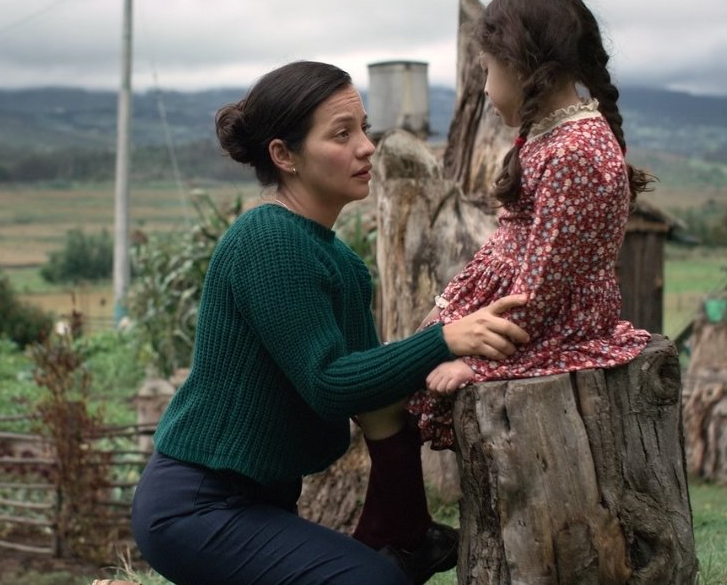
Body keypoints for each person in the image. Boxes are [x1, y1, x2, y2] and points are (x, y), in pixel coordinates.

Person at [131, 60, 529, 585]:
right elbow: (329, 383)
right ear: (284, 155)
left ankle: (409, 537)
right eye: (342, 134)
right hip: (198, 505)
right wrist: (445, 339)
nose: (367, 146)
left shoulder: (337, 260)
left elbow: (375, 401)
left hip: (260, 501)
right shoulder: (268, 241)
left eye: (364, 127)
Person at [407, 0, 655, 449]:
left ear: (522, 67)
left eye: (487, 71)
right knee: (396, 381)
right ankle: (400, 517)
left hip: (546, 321)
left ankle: (396, 521)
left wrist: (482, 363)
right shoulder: (554, 135)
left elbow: (546, 282)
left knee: (405, 386)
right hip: (521, 309)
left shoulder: (572, 151)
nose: (483, 89)